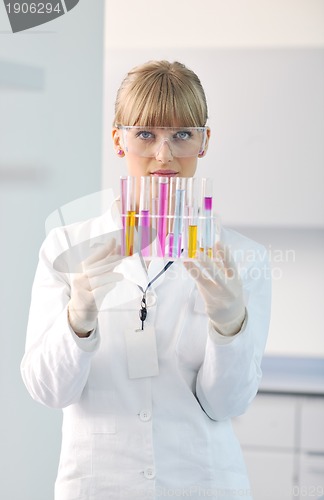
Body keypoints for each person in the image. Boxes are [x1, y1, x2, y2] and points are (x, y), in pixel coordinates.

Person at [21, 60, 271, 500]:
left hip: (203, 484)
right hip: (99, 484)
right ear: (118, 139)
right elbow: (49, 390)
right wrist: (77, 322)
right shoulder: (67, 246)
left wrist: (230, 325)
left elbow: (227, 404)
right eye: (145, 134)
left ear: (204, 140)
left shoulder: (243, 259)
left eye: (181, 134)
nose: (164, 155)